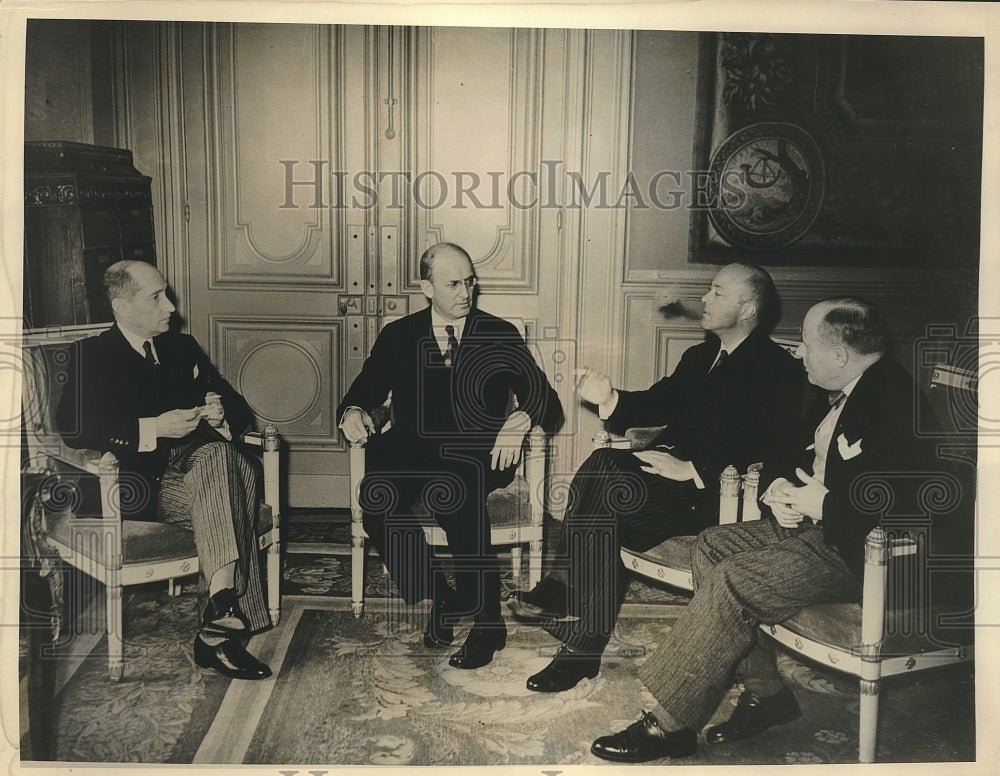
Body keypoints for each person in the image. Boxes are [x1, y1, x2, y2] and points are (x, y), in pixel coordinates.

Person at [589, 297, 956, 762]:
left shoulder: (893, 400)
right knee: (713, 545)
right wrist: (781, 487)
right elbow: (791, 446)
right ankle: (767, 695)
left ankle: (668, 723)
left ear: (840, 355)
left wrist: (821, 503)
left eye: (805, 343)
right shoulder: (846, 385)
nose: (798, 352)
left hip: (867, 552)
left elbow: (905, 503)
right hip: (822, 528)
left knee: (734, 580)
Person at [511, 263, 803, 693]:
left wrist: (695, 470)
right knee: (602, 465)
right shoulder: (700, 357)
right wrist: (610, 398)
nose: (703, 299)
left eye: (717, 292)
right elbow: (657, 403)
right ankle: (570, 600)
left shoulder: (779, 370)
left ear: (747, 308)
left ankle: (581, 636)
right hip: (675, 482)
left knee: (608, 503)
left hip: (718, 496)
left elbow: (777, 450)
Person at [337, 242, 563, 670]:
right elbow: (361, 392)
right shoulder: (399, 336)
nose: (466, 292)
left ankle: (488, 622)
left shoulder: (498, 333)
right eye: (453, 284)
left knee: (454, 489)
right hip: (412, 451)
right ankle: (442, 596)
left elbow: (545, 399)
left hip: (479, 453)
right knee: (375, 497)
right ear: (426, 287)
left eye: (471, 282)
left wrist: (518, 422)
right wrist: (351, 412)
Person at [57, 260, 272, 681]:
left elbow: (239, 408)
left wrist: (219, 414)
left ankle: (221, 608)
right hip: (139, 485)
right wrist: (153, 428)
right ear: (121, 306)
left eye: (167, 294)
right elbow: (73, 426)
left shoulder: (182, 348)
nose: (171, 306)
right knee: (235, 472)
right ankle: (218, 630)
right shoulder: (93, 355)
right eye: (157, 297)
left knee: (220, 459)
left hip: (200, 470)